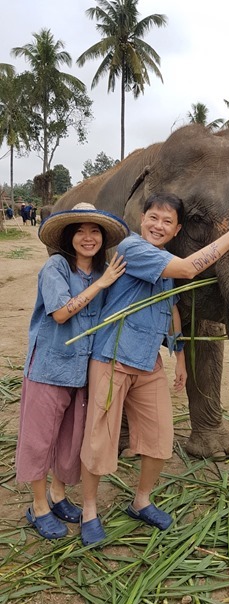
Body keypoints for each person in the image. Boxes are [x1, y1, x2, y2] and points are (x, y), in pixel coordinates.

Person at [79, 193, 229, 546]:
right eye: (154, 218)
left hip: (148, 361)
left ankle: (141, 501)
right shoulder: (132, 249)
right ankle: (89, 511)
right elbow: (188, 270)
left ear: (177, 229)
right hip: (112, 358)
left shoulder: (163, 259)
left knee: (159, 439)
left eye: (167, 222)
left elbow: (171, 309)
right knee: (100, 440)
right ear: (141, 219)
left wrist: (180, 356)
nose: (158, 226)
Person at [15, 202, 128, 540]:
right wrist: (103, 283)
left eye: (94, 231)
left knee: (69, 440)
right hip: (49, 368)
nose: (87, 237)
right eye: (80, 230)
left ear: (104, 237)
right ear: (68, 236)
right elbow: (62, 314)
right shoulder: (56, 267)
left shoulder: (102, 271)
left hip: (83, 372)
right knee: (39, 440)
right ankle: (37, 507)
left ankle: (58, 495)